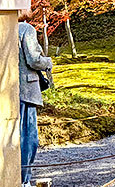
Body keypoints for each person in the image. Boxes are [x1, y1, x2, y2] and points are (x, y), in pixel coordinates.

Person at [19, 11, 52, 186]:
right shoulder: (25, 29)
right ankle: (24, 180)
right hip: (26, 90)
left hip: (7, 90)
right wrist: (48, 62)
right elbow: (33, 59)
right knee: (28, 138)